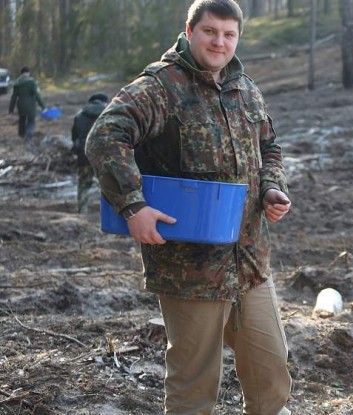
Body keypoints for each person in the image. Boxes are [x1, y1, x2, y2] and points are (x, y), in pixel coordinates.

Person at [85, 1, 292, 414]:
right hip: (190, 269)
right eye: (210, 31)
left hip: (250, 262)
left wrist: (271, 187)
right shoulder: (161, 86)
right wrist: (132, 206)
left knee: (272, 377)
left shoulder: (245, 87)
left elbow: (269, 146)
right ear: (190, 30)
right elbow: (105, 137)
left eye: (229, 34)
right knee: (194, 390)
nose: (220, 42)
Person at [71, 93, 108, 213]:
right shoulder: (109, 113)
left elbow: (74, 136)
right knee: (109, 184)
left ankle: (82, 210)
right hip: (104, 154)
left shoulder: (79, 115)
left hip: (84, 153)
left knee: (83, 183)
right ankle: (108, 212)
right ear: (104, 102)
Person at [8, 66, 46, 153]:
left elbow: (13, 97)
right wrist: (43, 106)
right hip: (30, 105)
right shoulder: (31, 82)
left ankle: (21, 135)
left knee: (22, 120)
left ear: (21, 73)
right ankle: (29, 137)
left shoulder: (17, 83)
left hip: (20, 105)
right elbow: (37, 95)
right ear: (28, 73)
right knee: (31, 121)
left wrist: (11, 109)